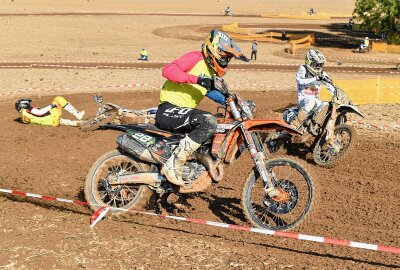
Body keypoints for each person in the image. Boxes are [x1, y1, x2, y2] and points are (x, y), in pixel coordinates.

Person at [156, 29, 248, 187]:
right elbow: (168, 70)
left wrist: (229, 100)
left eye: (228, 59)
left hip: (182, 114)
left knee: (218, 126)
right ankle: (173, 164)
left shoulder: (210, 72)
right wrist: (197, 79)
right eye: (225, 57)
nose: (226, 61)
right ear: (215, 51)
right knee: (208, 121)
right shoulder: (195, 57)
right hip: (168, 110)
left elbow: (209, 91)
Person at [290, 49, 336, 129]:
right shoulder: (303, 69)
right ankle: (294, 124)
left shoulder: (322, 74)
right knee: (311, 102)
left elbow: (329, 86)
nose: (318, 67)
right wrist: (315, 79)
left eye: (320, 65)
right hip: (303, 99)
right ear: (309, 62)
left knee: (326, 104)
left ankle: (314, 125)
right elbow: (300, 81)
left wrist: (336, 93)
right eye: (316, 64)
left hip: (315, 99)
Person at [15, 96, 85, 127]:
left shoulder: (24, 118)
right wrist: (52, 105)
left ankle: (75, 123)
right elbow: (40, 113)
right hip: (53, 116)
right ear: (24, 105)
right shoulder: (27, 110)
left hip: (53, 122)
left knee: (59, 119)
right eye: (28, 104)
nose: (30, 105)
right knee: (59, 99)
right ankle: (78, 115)